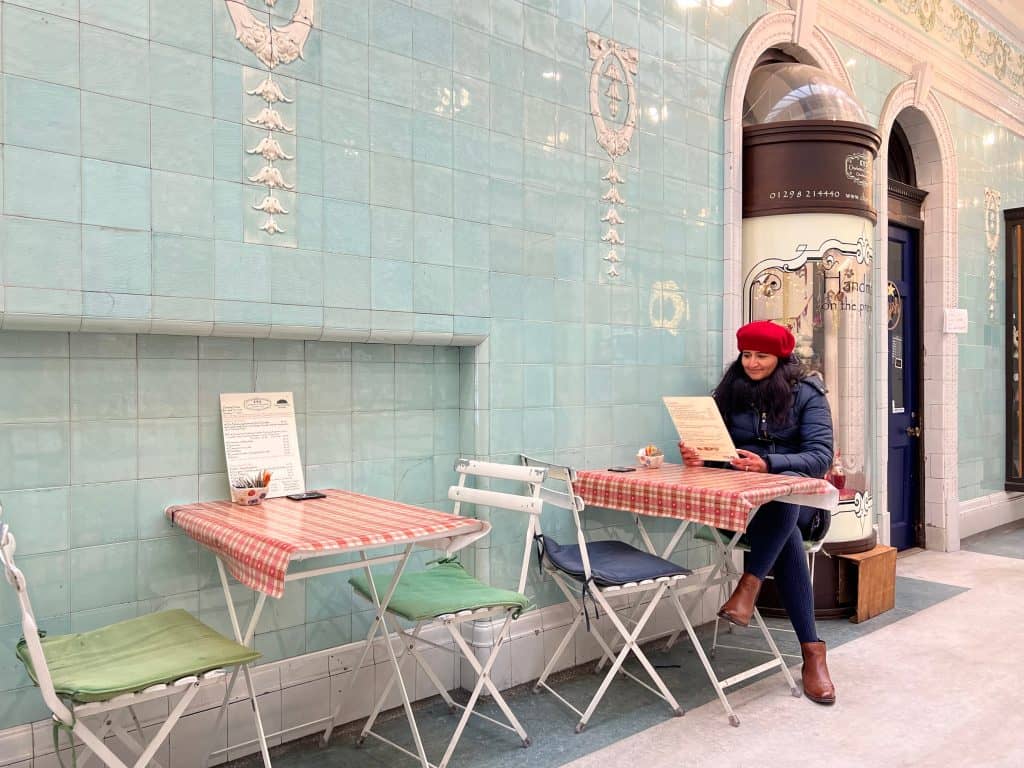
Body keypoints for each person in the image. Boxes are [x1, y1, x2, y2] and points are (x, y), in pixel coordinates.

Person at [678, 320, 836, 705]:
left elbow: (820, 457)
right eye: (746, 354)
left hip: (803, 505)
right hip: (739, 507)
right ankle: (812, 653)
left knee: (780, 502)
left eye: (761, 356)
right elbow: (719, 453)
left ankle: (749, 585)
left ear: (780, 358)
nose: (751, 363)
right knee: (784, 530)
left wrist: (769, 465)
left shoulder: (808, 394)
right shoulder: (730, 392)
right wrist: (701, 456)